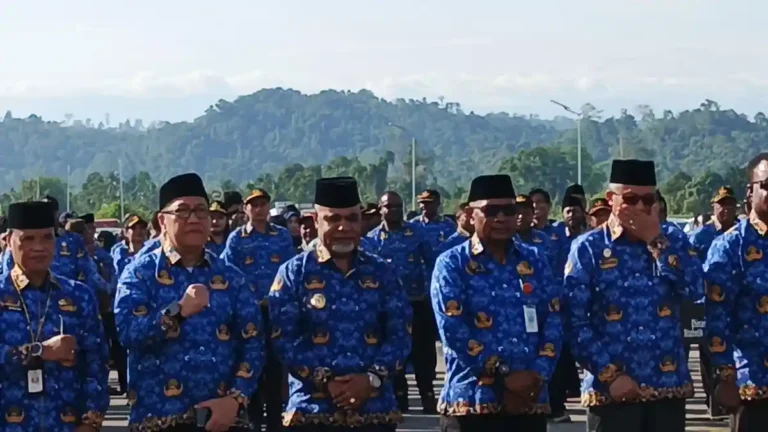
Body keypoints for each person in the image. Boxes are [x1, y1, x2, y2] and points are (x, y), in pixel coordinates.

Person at [114, 173, 265, 431]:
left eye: (200, 211)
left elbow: (253, 341)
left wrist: (235, 399)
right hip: (158, 419)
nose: (194, 219)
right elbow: (127, 333)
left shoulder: (230, 277)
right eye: (182, 211)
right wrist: (178, 312)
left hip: (222, 419)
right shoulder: (140, 274)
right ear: (162, 221)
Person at [564, 159, 704, 432]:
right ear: (611, 198)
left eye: (647, 200)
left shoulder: (673, 240)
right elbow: (574, 320)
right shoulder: (589, 248)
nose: (640, 207)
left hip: (667, 387)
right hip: (611, 392)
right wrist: (610, 375)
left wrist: (656, 242)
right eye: (630, 199)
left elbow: (696, 289)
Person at [268, 176, 412, 432]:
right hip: (311, 412)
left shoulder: (383, 272)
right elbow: (284, 339)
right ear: (316, 220)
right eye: (333, 219)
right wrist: (326, 381)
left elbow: (400, 334)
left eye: (351, 219)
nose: (344, 227)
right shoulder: (294, 273)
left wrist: (371, 379)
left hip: (374, 409)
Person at [431, 174, 562, 432]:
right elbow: (453, 329)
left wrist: (536, 375)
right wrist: (504, 376)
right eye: (491, 211)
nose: (501, 218)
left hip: (528, 401)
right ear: (471, 215)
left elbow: (554, 320)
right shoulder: (452, 264)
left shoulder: (535, 260)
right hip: (472, 403)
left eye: (508, 210)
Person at [0, 201, 110, 431]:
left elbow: (96, 363)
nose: (39, 247)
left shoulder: (78, 295)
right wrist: (39, 351)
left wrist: (90, 422)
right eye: (28, 239)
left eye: (47, 238)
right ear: (9, 240)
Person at [704, 153, 768, 431]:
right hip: (753, 384)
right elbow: (717, 316)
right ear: (750, 191)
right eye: (767, 185)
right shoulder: (730, 246)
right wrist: (724, 376)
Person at [222, 188, 294, 432]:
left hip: (275, 311)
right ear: (246, 209)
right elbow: (228, 275)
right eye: (254, 205)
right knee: (250, 367)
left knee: (274, 369)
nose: (259, 209)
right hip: (247, 313)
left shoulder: (281, 236)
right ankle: (254, 421)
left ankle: (274, 422)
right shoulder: (237, 239)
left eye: (263, 204)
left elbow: (290, 272)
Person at [367, 191, 436, 413]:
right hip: (388, 307)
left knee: (423, 353)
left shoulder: (416, 233)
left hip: (416, 303)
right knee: (394, 351)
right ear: (380, 209)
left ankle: (427, 395)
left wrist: (429, 292)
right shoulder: (372, 239)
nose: (394, 210)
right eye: (389, 206)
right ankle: (400, 397)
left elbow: (432, 262)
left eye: (398, 206)